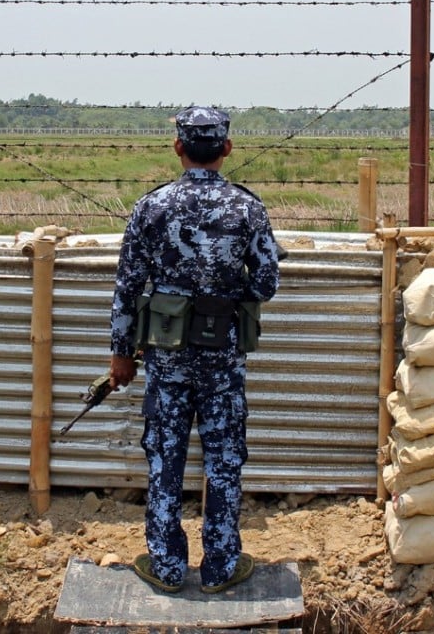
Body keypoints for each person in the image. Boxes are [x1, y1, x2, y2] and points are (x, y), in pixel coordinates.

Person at [108, 105, 282, 594]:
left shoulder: (152, 207)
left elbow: (126, 288)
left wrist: (122, 353)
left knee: (165, 457)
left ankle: (165, 567)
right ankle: (220, 569)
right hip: (223, 360)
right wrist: (223, 301)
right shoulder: (248, 208)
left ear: (178, 148)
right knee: (224, 459)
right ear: (226, 149)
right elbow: (267, 283)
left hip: (166, 359)